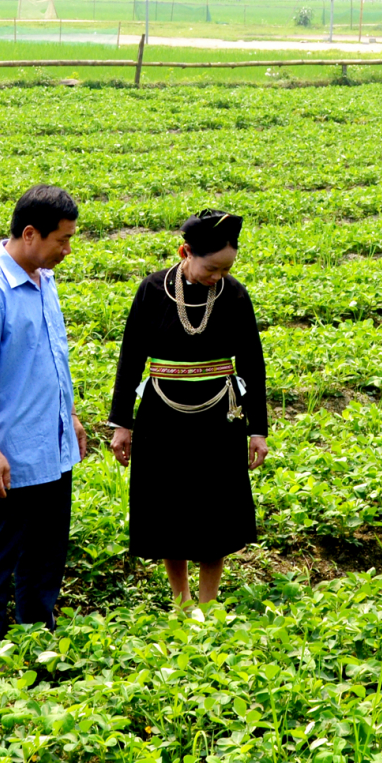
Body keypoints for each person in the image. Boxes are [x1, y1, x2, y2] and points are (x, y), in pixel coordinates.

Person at [108, 210, 270, 603]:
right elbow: (130, 358)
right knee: (169, 511)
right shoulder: (151, 290)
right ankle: (181, 602)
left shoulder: (234, 295)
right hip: (161, 420)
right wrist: (121, 424)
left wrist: (257, 429)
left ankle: (208, 603)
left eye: (225, 269)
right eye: (211, 268)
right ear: (185, 251)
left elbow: (252, 362)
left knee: (215, 511)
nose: (217, 277)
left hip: (218, 419)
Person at [0, 184, 90, 638]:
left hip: (53, 445)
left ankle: (36, 638)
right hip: (12, 454)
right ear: (30, 234)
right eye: (62, 240)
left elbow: (50, 358)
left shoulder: (44, 281)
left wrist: (68, 416)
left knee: (46, 555)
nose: (67, 250)